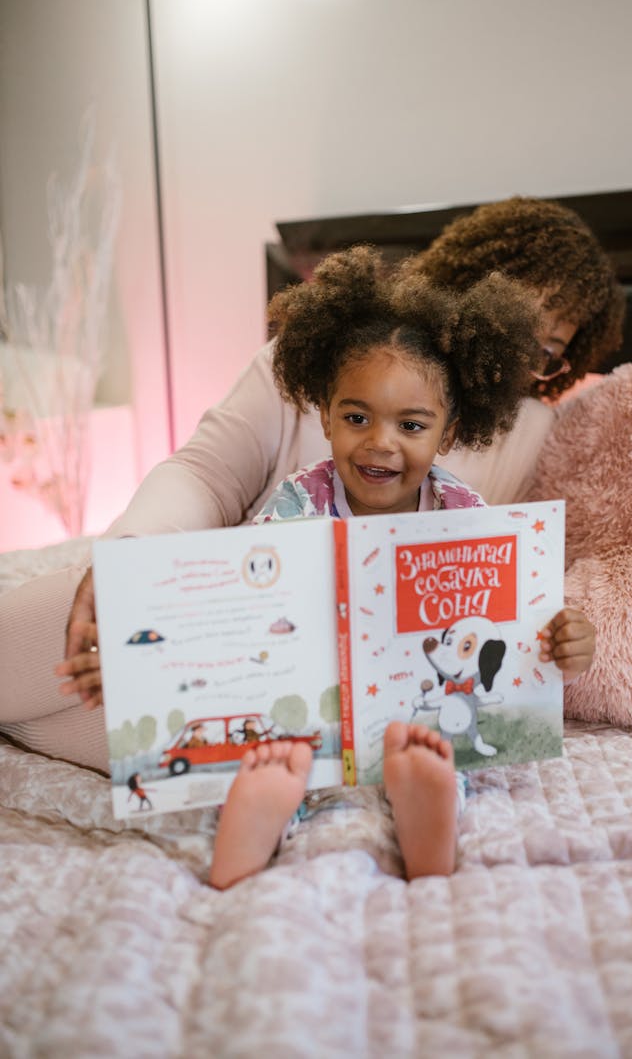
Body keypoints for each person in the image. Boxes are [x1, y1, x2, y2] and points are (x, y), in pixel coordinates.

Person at [1, 195, 623, 771]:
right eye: (509, 315)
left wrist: (558, 640)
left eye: (544, 349)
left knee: (217, 729)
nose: (515, 354)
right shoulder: (309, 361)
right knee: (91, 620)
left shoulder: (534, 429)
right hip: (225, 614)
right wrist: (132, 554)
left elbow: (498, 593)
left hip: (337, 691)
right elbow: (204, 473)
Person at [208, 246, 595, 889]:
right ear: (325, 415)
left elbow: (506, 623)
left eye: (410, 425)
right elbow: (254, 602)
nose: (380, 442)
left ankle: (427, 810)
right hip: (320, 709)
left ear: (446, 434)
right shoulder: (297, 504)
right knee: (272, 755)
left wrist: (562, 641)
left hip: (416, 709)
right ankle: (256, 819)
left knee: (447, 748)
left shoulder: (464, 513)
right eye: (356, 417)